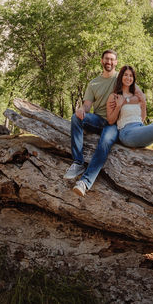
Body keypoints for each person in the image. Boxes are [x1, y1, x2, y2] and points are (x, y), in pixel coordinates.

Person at [65, 49, 135, 197]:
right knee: (75, 118)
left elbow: (134, 93)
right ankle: (78, 163)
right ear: (102, 61)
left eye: (112, 59)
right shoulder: (93, 83)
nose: (109, 62)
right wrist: (81, 109)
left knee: (104, 142)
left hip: (115, 123)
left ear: (116, 62)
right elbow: (87, 106)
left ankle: (85, 182)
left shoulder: (121, 79)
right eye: (106, 59)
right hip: (98, 120)